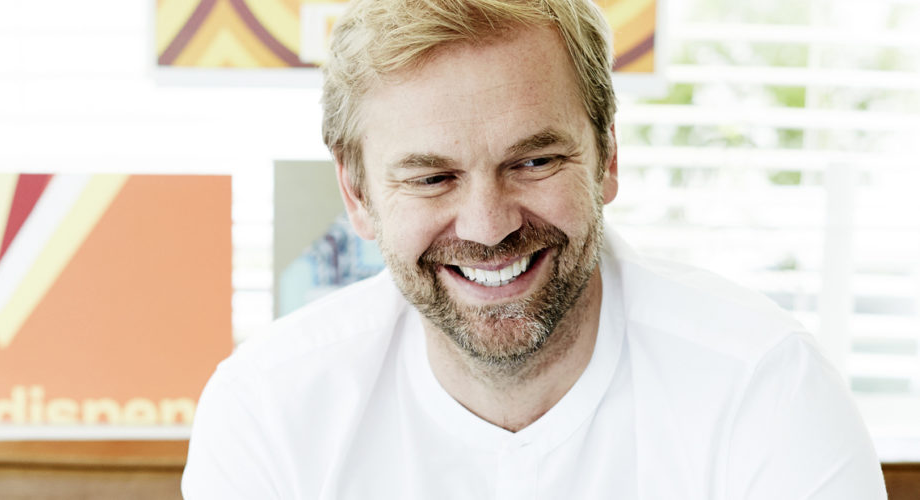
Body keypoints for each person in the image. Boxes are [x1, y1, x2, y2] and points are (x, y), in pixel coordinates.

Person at [182, 0, 888, 497]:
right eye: (432, 178)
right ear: (358, 195)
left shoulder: (766, 388)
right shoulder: (267, 411)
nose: (489, 227)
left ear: (607, 156)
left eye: (534, 162)